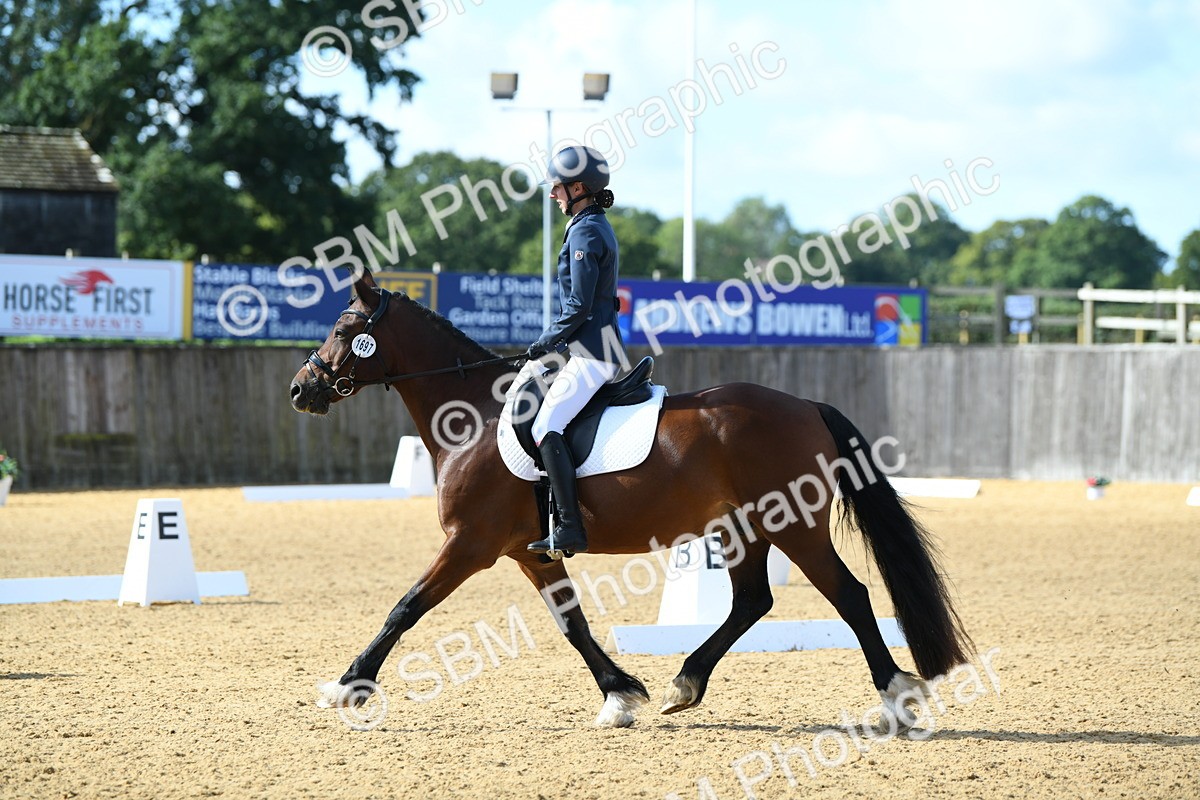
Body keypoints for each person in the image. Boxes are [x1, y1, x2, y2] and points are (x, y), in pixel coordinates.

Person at [522, 145, 627, 555]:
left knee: (544, 426)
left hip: (593, 352)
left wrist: (547, 340)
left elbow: (579, 305)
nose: (553, 195)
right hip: (590, 348)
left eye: (558, 188)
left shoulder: (586, 231)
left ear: (578, 188)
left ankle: (569, 527)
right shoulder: (590, 224)